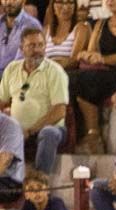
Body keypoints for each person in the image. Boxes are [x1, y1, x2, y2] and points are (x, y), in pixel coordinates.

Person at [67, 0, 116, 154]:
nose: (110, 1)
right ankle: (89, 133)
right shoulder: (101, 24)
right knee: (70, 78)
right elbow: (92, 51)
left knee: (83, 80)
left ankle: (93, 133)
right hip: (106, 71)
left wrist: (102, 59)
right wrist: (86, 54)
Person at [0, 28, 67, 176]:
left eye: (40, 45)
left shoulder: (55, 71)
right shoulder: (12, 69)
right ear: (21, 48)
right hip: (18, 130)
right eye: (31, 45)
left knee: (48, 132)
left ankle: (39, 181)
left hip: (51, 128)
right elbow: (1, 101)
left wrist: (30, 131)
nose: (37, 50)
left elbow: (59, 111)